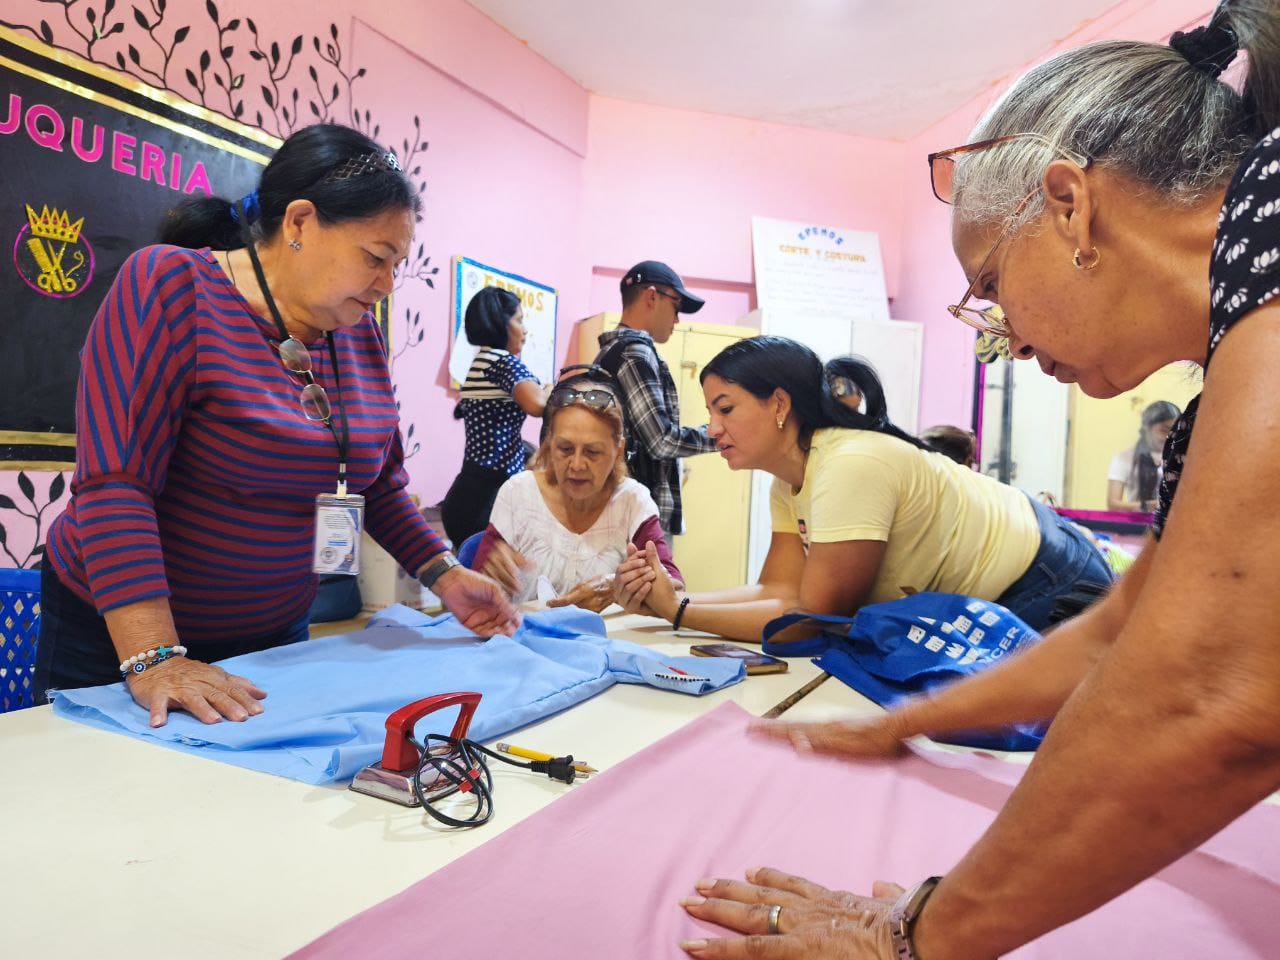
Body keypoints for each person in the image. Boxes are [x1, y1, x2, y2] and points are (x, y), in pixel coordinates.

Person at [676, 6, 1280, 958]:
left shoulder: (1271, 215)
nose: (1003, 338)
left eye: (992, 284)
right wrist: (917, 720)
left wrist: (917, 938)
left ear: (1071, 204)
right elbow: (1126, 630)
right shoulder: (1227, 376)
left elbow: (1214, 693)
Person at [34, 123, 518, 728]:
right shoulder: (168, 286)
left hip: (274, 641)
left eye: (398, 263)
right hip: (125, 642)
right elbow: (116, 487)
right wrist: (154, 658)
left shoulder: (357, 331)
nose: (388, 283)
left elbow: (378, 484)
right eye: (375, 257)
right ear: (299, 224)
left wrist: (446, 577)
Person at [617, 336, 1113, 640]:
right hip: (1007, 588)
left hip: (1048, 580)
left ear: (778, 405)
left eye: (725, 408)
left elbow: (809, 618)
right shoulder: (790, 481)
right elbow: (778, 590)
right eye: (710, 413)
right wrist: (676, 597)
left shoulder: (848, 465)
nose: (712, 429)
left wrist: (677, 610)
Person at [474, 368, 682, 613]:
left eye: (593, 452)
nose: (576, 465)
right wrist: (488, 572)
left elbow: (675, 588)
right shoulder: (518, 493)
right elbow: (475, 592)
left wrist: (616, 587)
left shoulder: (631, 501)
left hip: (605, 645)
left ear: (618, 449)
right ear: (549, 443)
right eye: (565, 449)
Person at [593, 260, 718, 535]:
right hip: (637, 518)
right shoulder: (635, 353)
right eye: (676, 306)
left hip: (618, 510)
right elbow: (661, 441)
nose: (677, 319)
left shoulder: (611, 351)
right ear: (651, 296)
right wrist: (723, 435)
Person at [440, 286, 551, 546]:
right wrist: (549, 388)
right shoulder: (502, 361)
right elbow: (537, 405)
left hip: (470, 492)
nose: (525, 329)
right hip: (488, 500)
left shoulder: (481, 361)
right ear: (499, 322)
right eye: (519, 320)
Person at [1106, 400, 1180, 512]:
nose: (1170, 437)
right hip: (1136, 525)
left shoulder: (1182, 458)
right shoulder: (1124, 459)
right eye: (1164, 430)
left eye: (1174, 432)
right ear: (1147, 428)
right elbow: (1113, 504)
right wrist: (1147, 506)